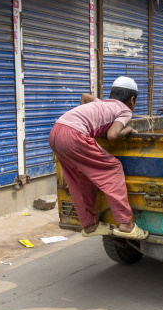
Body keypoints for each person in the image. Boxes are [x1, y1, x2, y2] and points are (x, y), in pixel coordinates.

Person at [48, 77, 150, 239]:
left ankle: (89, 226)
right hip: (73, 136)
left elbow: (84, 97)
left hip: (56, 132)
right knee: (113, 168)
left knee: (78, 177)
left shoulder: (101, 103)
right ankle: (126, 225)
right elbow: (113, 135)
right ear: (132, 100)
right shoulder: (125, 110)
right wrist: (128, 129)